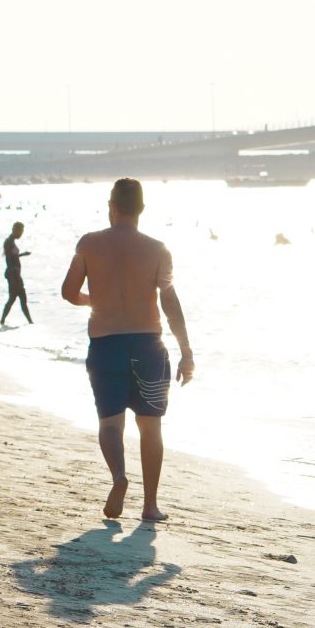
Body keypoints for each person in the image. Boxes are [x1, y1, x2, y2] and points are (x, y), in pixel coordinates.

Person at [61, 178, 195, 523]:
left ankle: (119, 476)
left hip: (105, 345)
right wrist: (186, 351)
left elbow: (68, 291)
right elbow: (170, 301)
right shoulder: (158, 249)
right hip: (148, 345)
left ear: (112, 206)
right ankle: (150, 505)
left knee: (110, 424)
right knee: (151, 428)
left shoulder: (89, 243)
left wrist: (94, 299)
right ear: (142, 210)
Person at [0, 221, 33, 325]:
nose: (21, 234)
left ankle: (2, 321)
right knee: (19, 298)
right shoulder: (8, 242)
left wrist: (22, 254)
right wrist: (16, 276)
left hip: (14, 274)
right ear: (15, 230)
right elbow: (9, 260)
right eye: (21, 231)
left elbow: (12, 257)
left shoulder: (10, 242)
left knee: (14, 298)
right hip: (13, 275)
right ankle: (30, 323)